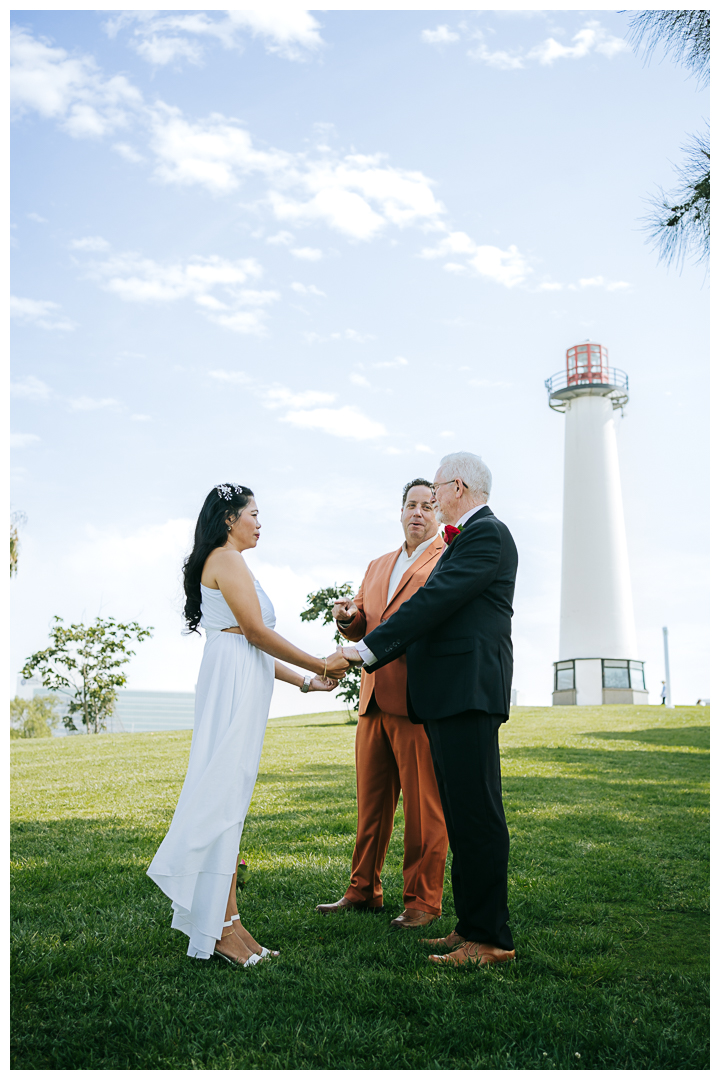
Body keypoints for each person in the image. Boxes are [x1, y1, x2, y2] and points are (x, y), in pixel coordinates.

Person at [147, 483, 348, 967]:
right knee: (222, 800)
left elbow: (248, 643)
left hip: (240, 676)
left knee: (230, 802)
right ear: (228, 519)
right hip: (231, 686)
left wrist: (304, 682)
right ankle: (217, 928)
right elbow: (256, 634)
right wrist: (322, 664)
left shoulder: (232, 562)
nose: (260, 523)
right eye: (253, 514)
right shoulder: (226, 559)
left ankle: (230, 923)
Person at [330, 451, 518, 968]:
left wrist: (362, 651)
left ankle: (492, 941)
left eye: (436, 489)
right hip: (448, 697)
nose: (432, 499)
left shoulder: (487, 534)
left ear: (457, 486)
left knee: (477, 817)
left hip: (468, 694)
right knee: (461, 816)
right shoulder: (471, 537)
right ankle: (472, 926)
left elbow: (434, 602)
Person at [316, 479, 448, 930]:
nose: (418, 512)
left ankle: (422, 902)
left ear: (440, 513)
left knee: (423, 809)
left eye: (428, 506)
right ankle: (363, 890)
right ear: (400, 511)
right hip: (372, 699)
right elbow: (363, 626)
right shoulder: (376, 566)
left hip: (418, 701)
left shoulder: (448, 558)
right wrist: (348, 619)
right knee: (370, 806)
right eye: (411, 504)